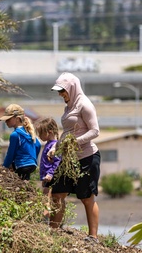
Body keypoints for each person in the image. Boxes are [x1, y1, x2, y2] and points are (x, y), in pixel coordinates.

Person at [49, 72, 100, 243]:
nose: (60, 94)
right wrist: (56, 147)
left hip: (87, 157)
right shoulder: (69, 107)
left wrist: (74, 143)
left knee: (86, 197)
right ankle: (53, 231)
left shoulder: (85, 105)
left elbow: (95, 131)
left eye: (63, 91)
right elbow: (68, 131)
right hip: (68, 159)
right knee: (57, 193)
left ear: (72, 88)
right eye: (59, 91)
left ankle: (93, 236)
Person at [0, 104, 41, 180]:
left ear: (17, 118)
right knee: (26, 181)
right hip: (32, 164)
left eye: (8, 119)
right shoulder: (29, 132)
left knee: (20, 185)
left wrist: (4, 168)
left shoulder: (15, 135)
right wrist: (32, 159)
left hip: (21, 165)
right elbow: (38, 145)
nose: (6, 122)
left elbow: (10, 154)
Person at [34, 117, 61, 221]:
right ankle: (47, 220)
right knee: (46, 198)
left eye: (41, 133)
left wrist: (50, 174)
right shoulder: (48, 144)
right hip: (46, 178)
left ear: (49, 132)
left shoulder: (54, 145)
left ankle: (46, 220)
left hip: (50, 178)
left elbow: (57, 161)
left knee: (47, 199)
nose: (39, 136)